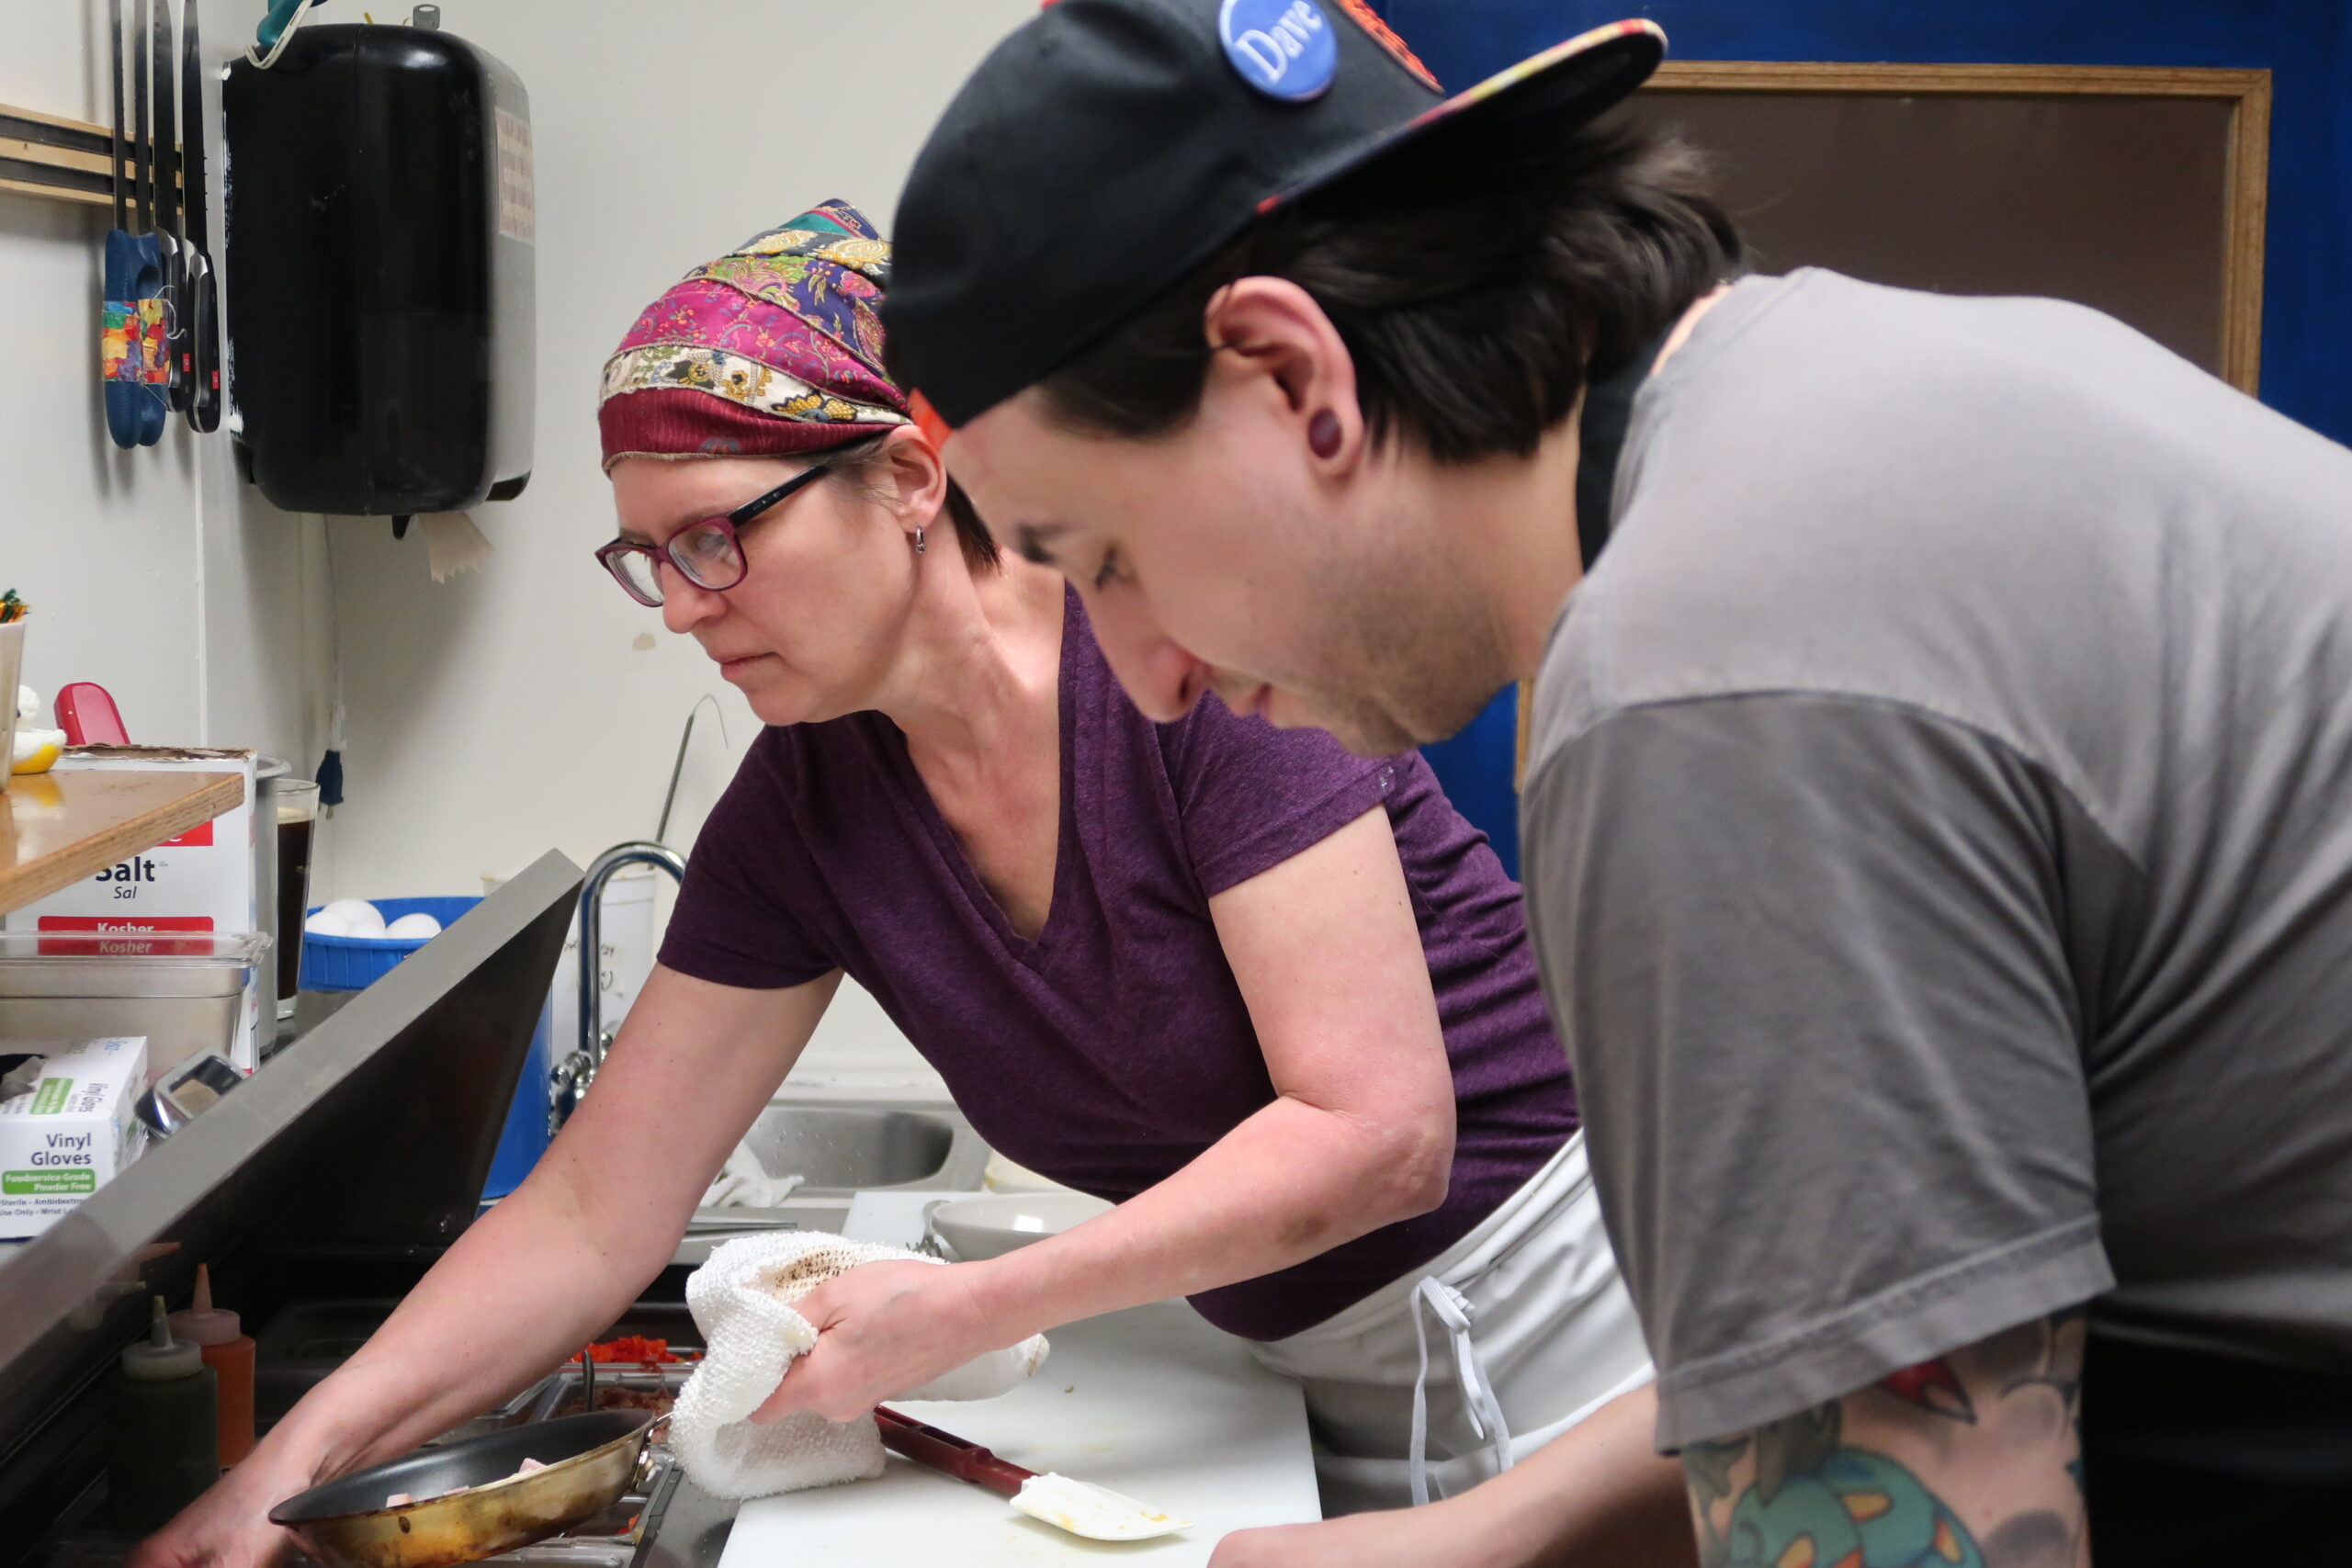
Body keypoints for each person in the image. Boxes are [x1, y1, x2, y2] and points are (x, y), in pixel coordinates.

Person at [881, 3, 2352, 1563]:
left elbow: (1915, 1526)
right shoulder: (1837, 392)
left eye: (1103, 561)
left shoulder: (1706, 671)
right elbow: (1918, 1361)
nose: (1148, 675)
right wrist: (1487, 1535)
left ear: (1289, 375)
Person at [130, 201, 1672, 1568]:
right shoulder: (810, 802)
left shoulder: (1183, 655)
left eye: (715, 540)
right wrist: (290, 1463)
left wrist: (978, 1309)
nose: (680, 609)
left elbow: (1379, 1132)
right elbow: (595, 1209)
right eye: (645, 562)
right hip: (1299, 1372)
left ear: (913, 478)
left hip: (1583, 1333)